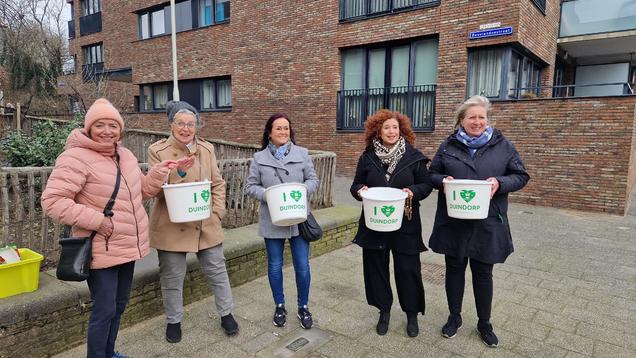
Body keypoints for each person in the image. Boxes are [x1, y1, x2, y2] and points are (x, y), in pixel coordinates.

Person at [41, 98, 180, 358]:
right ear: (89, 128)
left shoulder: (125, 155)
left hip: (126, 246)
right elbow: (52, 202)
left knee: (118, 305)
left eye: (113, 125)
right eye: (100, 125)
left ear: (121, 129)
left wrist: (160, 172)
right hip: (99, 249)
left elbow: (143, 191)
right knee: (104, 310)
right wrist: (99, 221)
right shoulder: (76, 158)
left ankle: (109, 352)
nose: (107, 131)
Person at [428, 95, 530, 347]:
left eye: (481, 117)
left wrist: (500, 182)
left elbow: (521, 175)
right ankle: (454, 318)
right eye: (471, 117)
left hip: (487, 223)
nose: (477, 121)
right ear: (461, 121)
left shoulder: (503, 146)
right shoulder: (447, 145)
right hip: (455, 221)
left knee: (483, 273)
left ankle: (484, 323)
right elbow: (431, 174)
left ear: (487, 120)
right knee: (454, 271)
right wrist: (443, 182)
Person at [147, 100, 239, 343]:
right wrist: (179, 172)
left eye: (191, 124)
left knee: (218, 272)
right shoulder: (158, 151)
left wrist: (217, 212)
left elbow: (217, 183)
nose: (186, 128)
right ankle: (173, 321)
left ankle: (226, 314)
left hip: (205, 223)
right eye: (180, 123)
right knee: (172, 277)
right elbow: (154, 190)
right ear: (171, 125)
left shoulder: (207, 149)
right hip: (171, 225)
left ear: (197, 126)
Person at [349, 109, 433, 338]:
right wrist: (360, 191)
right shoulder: (367, 157)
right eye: (386, 127)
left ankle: (412, 314)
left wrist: (412, 191)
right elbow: (355, 185)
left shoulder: (413, 157)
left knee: (408, 269)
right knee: (376, 267)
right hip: (375, 222)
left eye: (395, 127)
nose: (391, 131)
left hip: (405, 223)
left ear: (401, 130)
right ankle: (383, 310)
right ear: (378, 131)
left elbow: (426, 185)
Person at [244, 112, 319, 329]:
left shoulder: (303, 154)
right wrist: (267, 195)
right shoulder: (259, 159)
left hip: (298, 218)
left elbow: (313, 179)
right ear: (269, 132)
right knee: (275, 265)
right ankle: (279, 305)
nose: (283, 132)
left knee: (302, 266)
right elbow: (250, 187)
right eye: (278, 128)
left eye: (286, 128)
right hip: (273, 220)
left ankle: (303, 307)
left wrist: (303, 190)